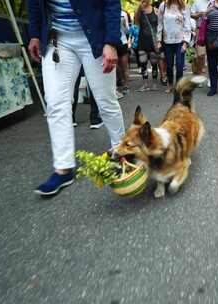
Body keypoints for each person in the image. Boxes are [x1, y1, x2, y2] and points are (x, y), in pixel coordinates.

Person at [28, 0, 125, 196]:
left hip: (95, 36)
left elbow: (112, 3)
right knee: (55, 102)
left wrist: (111, 42)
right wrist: (35, 35)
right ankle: (63, 169)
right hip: (58, 39)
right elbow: (34, 3)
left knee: (105, 100)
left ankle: (122, 151)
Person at [157, 0, 192, 93]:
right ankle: (170, 84)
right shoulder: (163, 6)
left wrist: (186, 42)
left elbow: (187, 25)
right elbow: (160, 24)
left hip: (180, 41)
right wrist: (159, 40)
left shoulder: (184, 6)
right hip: (167, 41)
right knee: (169, 65)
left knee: (180, 65)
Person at [134, 0, 160, 91]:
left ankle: (154, 84)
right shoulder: (139, 11)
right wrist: (139, 9)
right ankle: (145, 84)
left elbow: (159, 25)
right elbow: (136, 23)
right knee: (143, 62)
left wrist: (159, 40)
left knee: (154, 62)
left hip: (153, 41)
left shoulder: (156, 10)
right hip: (142, 41)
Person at [190, 0, 209, 75]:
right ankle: (198, 72)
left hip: (213, 31)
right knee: (200, 54)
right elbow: (191, 15)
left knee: (212, 55)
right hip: (200, 30)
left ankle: (211, 78)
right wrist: (200, 14)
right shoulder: (197, 2)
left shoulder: (216, 1)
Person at [116, 10, 131, 97]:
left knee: (122, 66)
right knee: (119, 66)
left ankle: (124, 86)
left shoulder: (123, 13)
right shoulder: (122, 13)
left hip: (120, 42)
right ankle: (122, 86)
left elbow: (127, 30)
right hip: (116, 42)